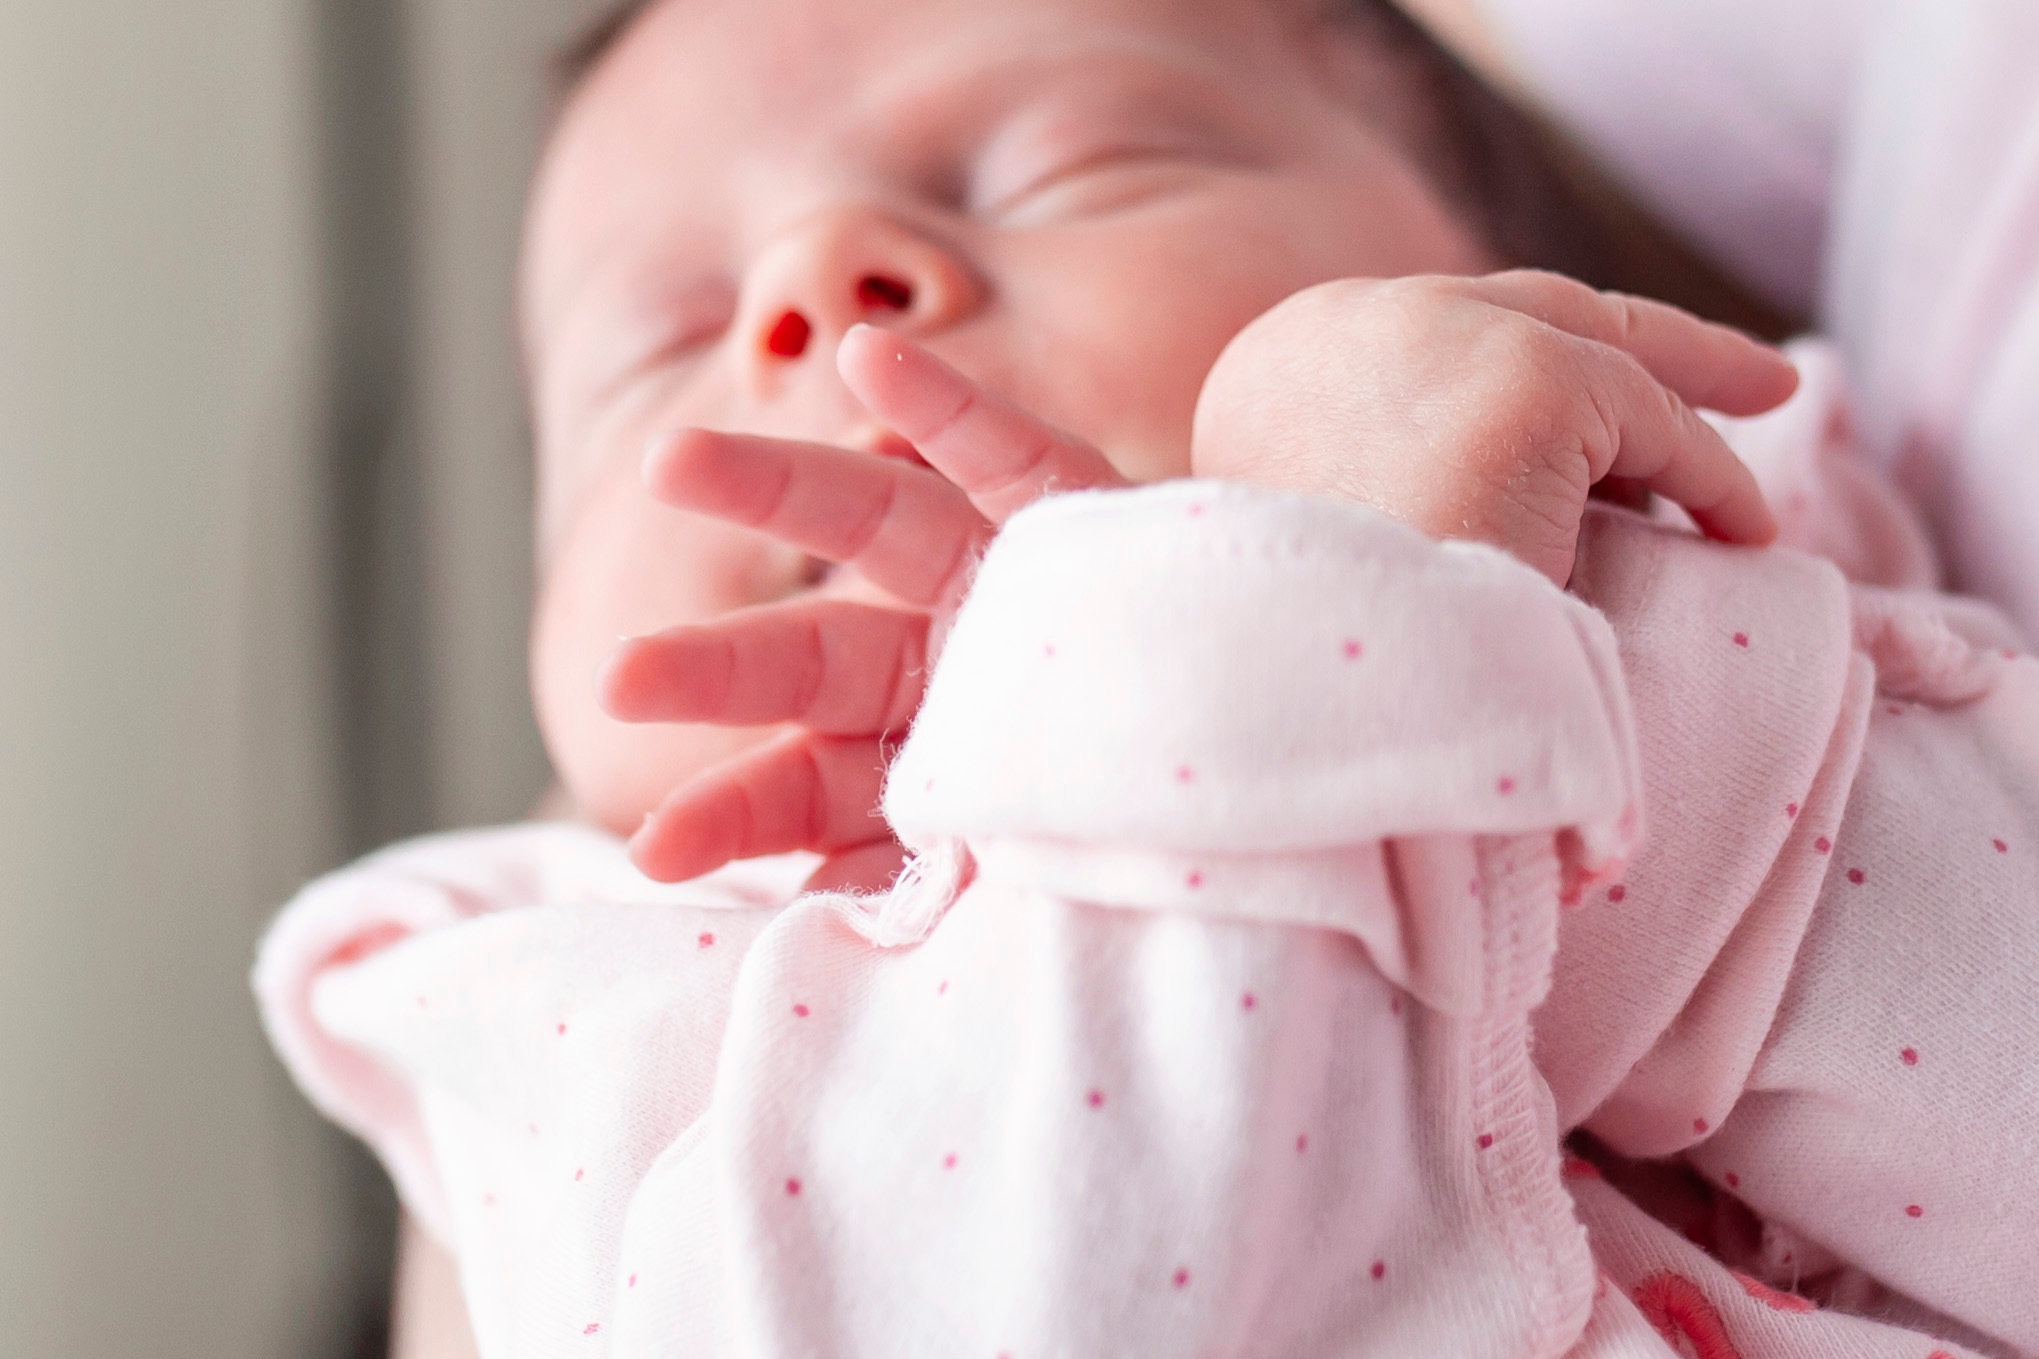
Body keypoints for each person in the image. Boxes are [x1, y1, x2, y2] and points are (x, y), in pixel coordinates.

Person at [255, 0, 2039, 1355]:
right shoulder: (549, 980)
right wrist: (1287, 656)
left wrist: (1527, 622)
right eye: (653, 349)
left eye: (1067, 170)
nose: (807, 292)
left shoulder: (1768, 539)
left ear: (1519, 290)